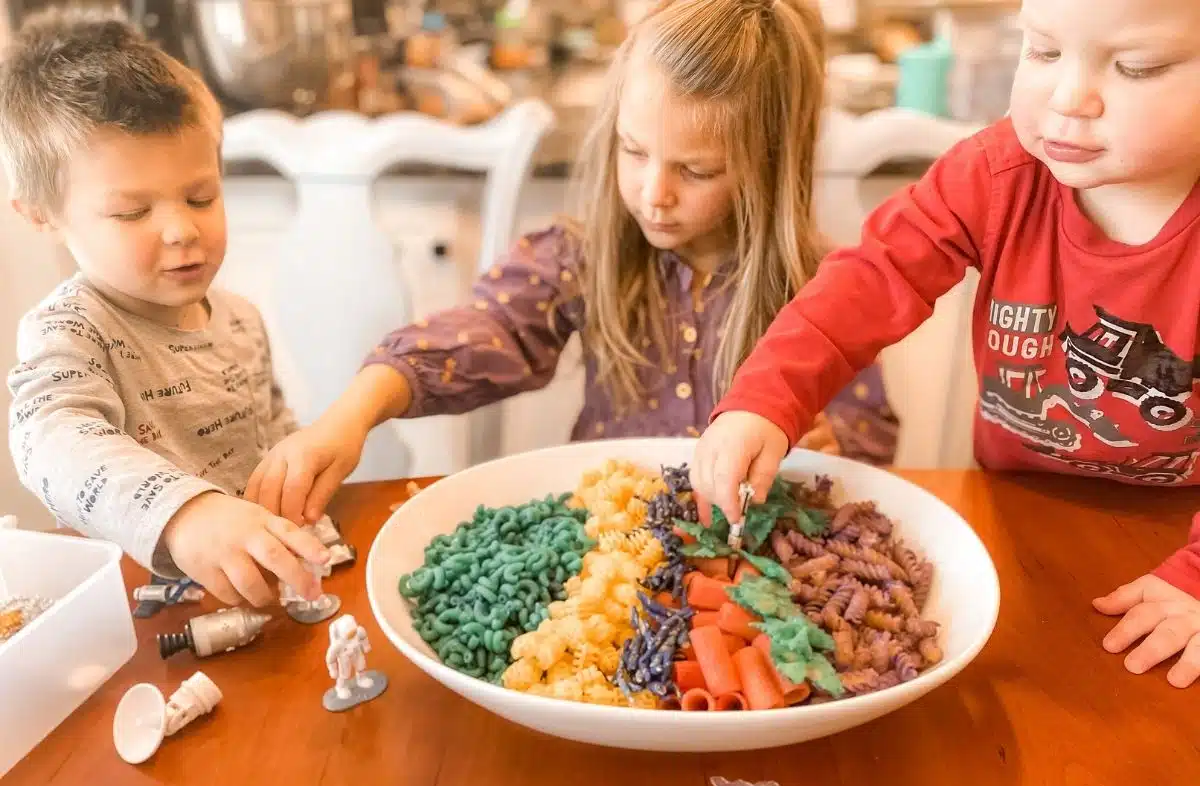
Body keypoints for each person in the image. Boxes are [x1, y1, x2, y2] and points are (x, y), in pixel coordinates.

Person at [692, 0, 1200, 687]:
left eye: (1137, 67)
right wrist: (768, 395)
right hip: (1014, 518)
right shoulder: (997, 173)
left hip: (1176, 539)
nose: (1068, 97)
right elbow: (872, 277)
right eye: (1044, 52)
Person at [247, 0, 899, 524]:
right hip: (604, 543)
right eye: (633, 152)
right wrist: (351, 415)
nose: (653, 192)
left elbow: (868, 430)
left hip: (753, 555)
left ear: (769, 166)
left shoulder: (824, 290)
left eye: (695, 170)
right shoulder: (583, 259)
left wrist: (833, 444)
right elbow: (484, 330)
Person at [2, 8, 328, 606]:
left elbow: (271, 427)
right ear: (42, 216)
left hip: (268, 595)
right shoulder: (70, 333)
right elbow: (50, 441)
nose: (181, 230)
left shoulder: (240, 319)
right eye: (132, 212)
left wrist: (298, 475)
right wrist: (186, 516)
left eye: (201, 196)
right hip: (146, 618)